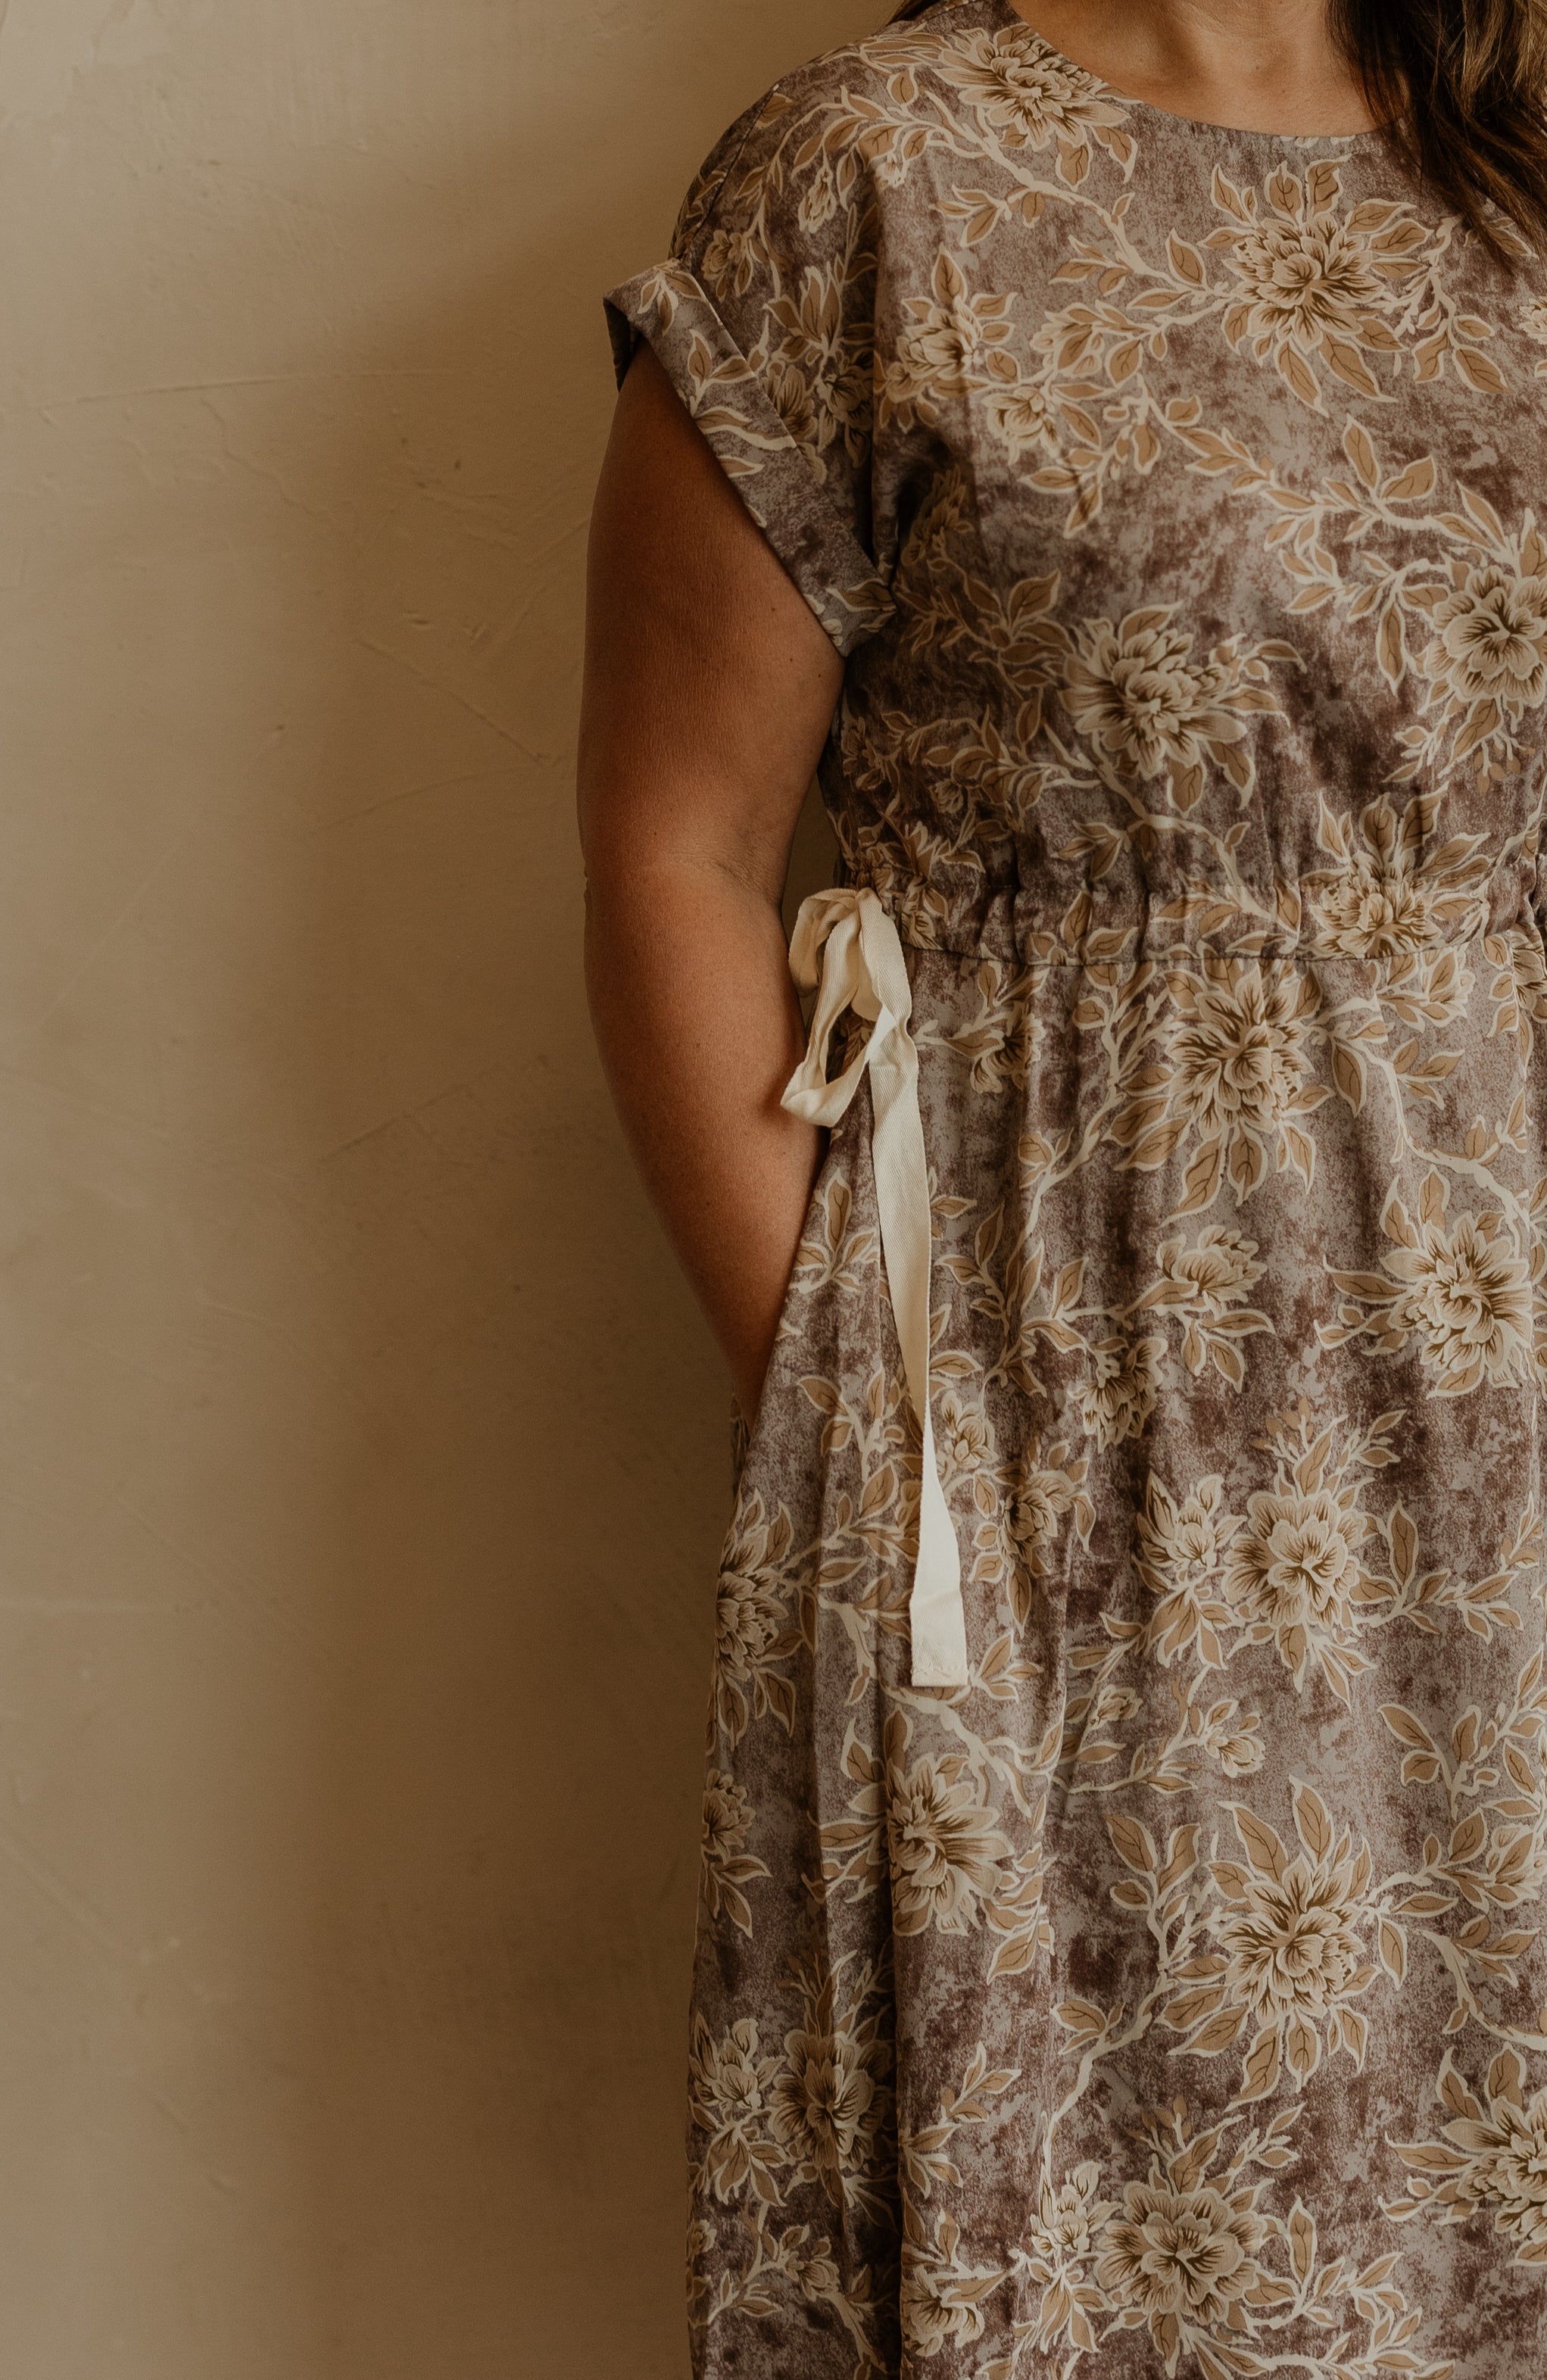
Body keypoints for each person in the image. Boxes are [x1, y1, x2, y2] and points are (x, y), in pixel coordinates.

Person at [577, 2, 1547, 2370]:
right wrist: (856, 1424)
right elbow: (674, 848)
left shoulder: (1519, 160)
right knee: (1133, 2215)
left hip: (1508, 1422)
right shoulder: (869, 182)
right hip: (1076, 1429)